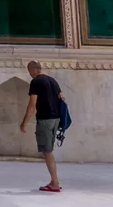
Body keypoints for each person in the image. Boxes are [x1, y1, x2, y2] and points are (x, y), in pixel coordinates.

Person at [20, 60, 64, 193]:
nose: (29, 74)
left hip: (45, 120)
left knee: (48, 152)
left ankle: (54, 183)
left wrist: (24, 123)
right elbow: (62, 98)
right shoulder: (53, 81)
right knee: (49, 151)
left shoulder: (36, 82)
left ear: (34, 70)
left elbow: (32, 104)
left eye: (29, 71)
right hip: (56, 119)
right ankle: (54, 181)